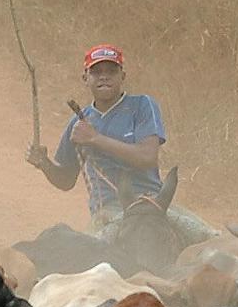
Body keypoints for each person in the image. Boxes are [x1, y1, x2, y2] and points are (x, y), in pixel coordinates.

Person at [27, 45, 213, 244]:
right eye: (96, 72)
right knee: (83, 257)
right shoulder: (76, 125)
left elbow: (147, 158)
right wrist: (44, 164)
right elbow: (65, 181)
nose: (104, 77)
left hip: (154, 205)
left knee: (212, 240)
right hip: (108, 211)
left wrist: (95, 139)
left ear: (122, 76)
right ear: (85, 79)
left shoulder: (142, 105)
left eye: (111, 71)